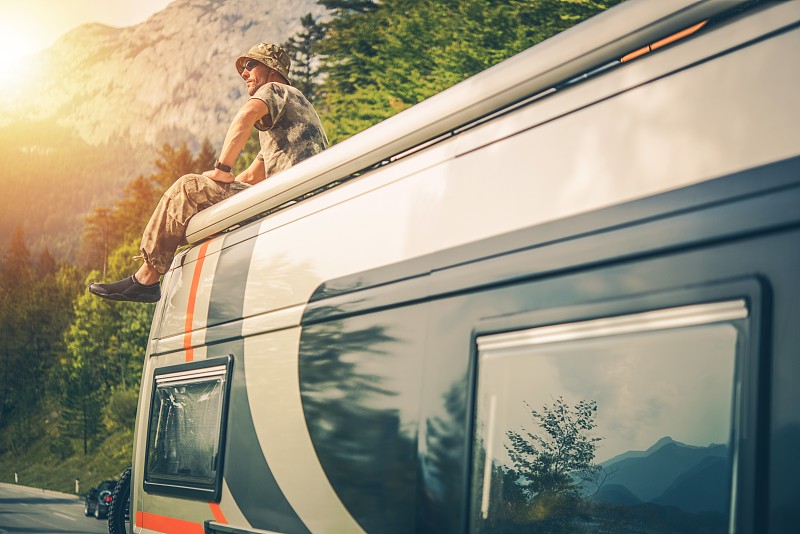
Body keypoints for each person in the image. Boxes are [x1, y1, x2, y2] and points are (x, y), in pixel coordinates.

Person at [89, 43, 328, 303]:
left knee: (187, 188)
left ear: (272, 69)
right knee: (201, 193)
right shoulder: (295, 118)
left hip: (284, 201)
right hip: (296, 199)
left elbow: (245, 116)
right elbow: (250, 178)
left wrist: (221, 170)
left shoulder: (276, 89)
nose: (244, 74)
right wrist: (215, 192)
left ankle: (146, 278)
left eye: (250, 65)